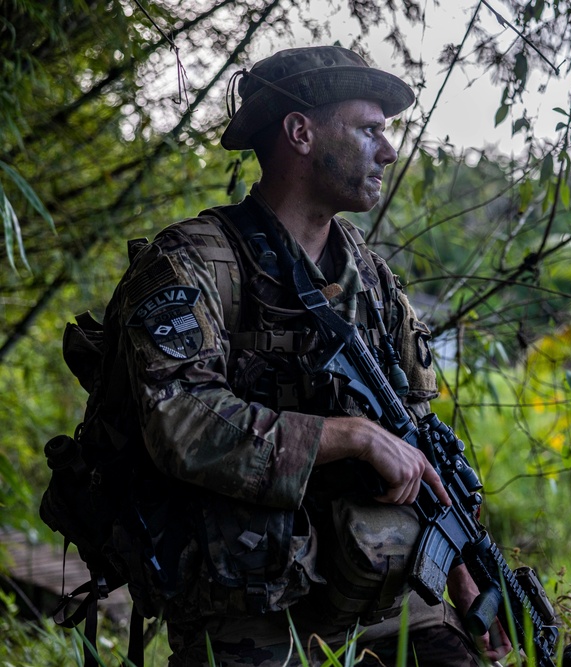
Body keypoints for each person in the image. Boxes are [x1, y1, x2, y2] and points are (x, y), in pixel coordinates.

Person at [101, 45, 512, 666]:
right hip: (253, 603)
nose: (389, 150)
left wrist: (458, 562)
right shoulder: (193, 263)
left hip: (379, 593)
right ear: (300, 132)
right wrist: (349, 436)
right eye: (370, 130)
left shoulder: (372, 281)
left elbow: (420, 436)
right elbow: (181, 422)